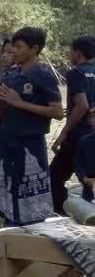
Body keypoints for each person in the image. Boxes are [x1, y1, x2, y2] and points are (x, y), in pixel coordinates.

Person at [0, 28, 64, 226]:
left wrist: (20, 102)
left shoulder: (42, 76)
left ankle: (31, 239)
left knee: (31, 203)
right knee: (7, 198)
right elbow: (4, 111)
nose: (14, 50)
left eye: (19, 47)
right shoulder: (11, 75)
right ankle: (9, 235)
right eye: (13, 46)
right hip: (7, 140)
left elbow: (57, 112)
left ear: (34, 49)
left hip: (30, 143)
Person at [49, 36, 95, 214]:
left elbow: (82, 105)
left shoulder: (76, 73)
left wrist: (63, 134)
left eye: (71, 51)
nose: (69, 54)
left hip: (77, 135)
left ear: (78, 52)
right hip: (92, 134)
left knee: (54, 177)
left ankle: (59, 213)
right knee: (87, 176)